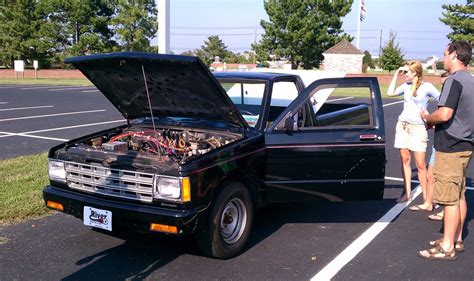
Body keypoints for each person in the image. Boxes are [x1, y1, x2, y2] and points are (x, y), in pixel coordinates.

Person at [418, 40, 473, 260]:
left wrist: (427, 118)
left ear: (454, 55)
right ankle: (456, 239)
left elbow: (444, 114)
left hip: (450, 146)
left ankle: (447, 247)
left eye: (444, 54)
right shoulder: (470, 80)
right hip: (465, 145)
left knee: (449, 199)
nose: (442, 58)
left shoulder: (453, 81)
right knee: (458, 195)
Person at [387, 60, 441, 204]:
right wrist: (396, 73)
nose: (404, 74)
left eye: (407, 72)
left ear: (415, 73)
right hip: (403, 125)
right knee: (405, 160)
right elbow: (390, 92)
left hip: (418, 128)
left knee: (421, 165)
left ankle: (426, 199)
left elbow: (442, 100)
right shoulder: (405, 86)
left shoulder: (427, 87)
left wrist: (431, 117)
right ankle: (407, 194)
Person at [426, 72, 450, 221]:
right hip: (439, 141)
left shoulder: (455, 99)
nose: (443, 87)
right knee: (431, 175)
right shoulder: (445, 98)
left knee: (447, 180)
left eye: (444, 84)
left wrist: (429, 119)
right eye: (441, 84)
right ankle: (430, 203)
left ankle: (447, 211)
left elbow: (446, 117)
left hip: (449, 144)